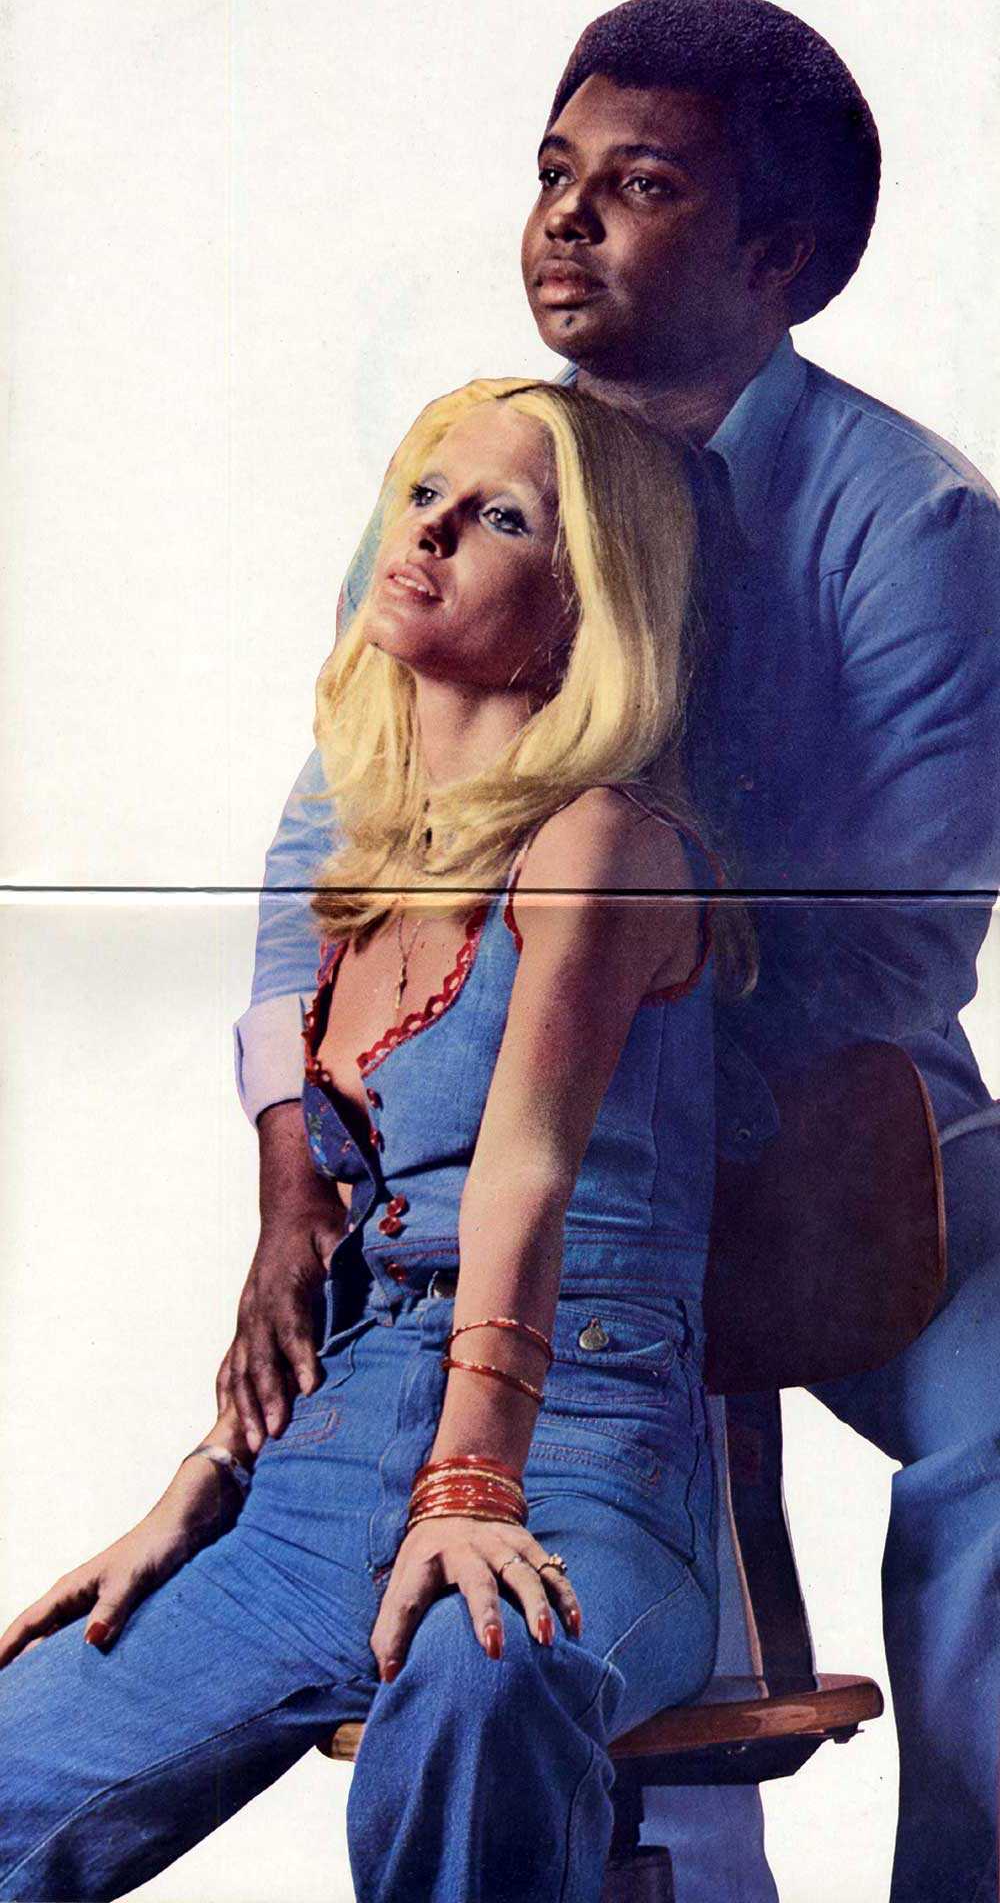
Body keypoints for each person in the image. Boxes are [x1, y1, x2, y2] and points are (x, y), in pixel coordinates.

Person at [231, 0, 1000, 1903]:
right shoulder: (474, 473)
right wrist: (292, 1158)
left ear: (780, 257)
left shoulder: (919, 527)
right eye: (553, 172)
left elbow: (897, 948)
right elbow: (328, 838)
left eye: (639, 186)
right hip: (476, 1134)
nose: (566, 219)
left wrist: (602, 1067)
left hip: (826, 1137)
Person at [0, 378, 750, 1903]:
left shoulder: (605, 842)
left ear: (585, 601)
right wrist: (206, 1482)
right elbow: (344, 1247)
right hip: (330, 1465)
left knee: (484, 1676)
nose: (432, 532)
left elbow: (524, 1175)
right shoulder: (366, 871)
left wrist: (470, 1489)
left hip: (582, 1455)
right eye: (424, 495)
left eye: (501, 518)